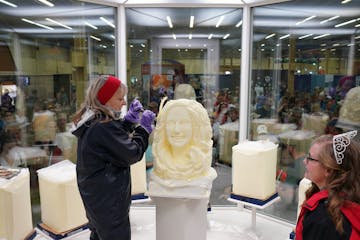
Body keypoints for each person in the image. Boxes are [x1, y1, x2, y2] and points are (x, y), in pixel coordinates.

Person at [71, 75, 155, 240]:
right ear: (105, 99)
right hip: (109, 202)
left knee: (98, 234)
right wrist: (143, 130)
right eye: (120, 98)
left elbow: (110, 143)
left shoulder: (93, 120)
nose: (124, 102)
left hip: (96, 198)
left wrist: (128, 122)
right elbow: (132, 153)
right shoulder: (103, 126)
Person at [295, 131, 360, 240]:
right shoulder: (351, 197)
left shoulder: (322, 218)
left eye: (310, 158)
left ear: (328, 170)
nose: (304, 161)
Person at [152, 99, 213, 180]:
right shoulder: (160, 161)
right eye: (171, 122)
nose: (177, 130)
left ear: (195, 127)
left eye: (184, 122)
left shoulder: (200, 161)